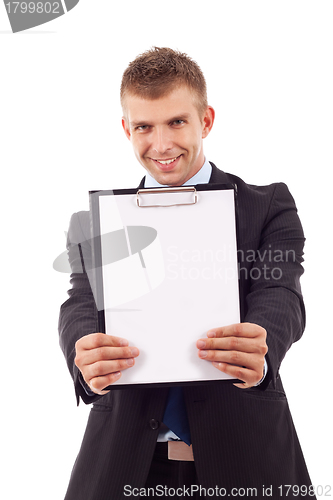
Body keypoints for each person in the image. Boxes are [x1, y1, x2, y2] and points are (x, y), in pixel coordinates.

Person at [59, 47, 314, 499]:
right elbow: (80, 303)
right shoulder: (100, 221)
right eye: (144, 126)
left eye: (177, 122)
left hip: (246, 459)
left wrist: (263, 344)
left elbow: (281, 293)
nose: (161, 145)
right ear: (126, 129)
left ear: (206, 120)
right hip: (124, 463)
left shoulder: (267, 205)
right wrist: (83, 354)